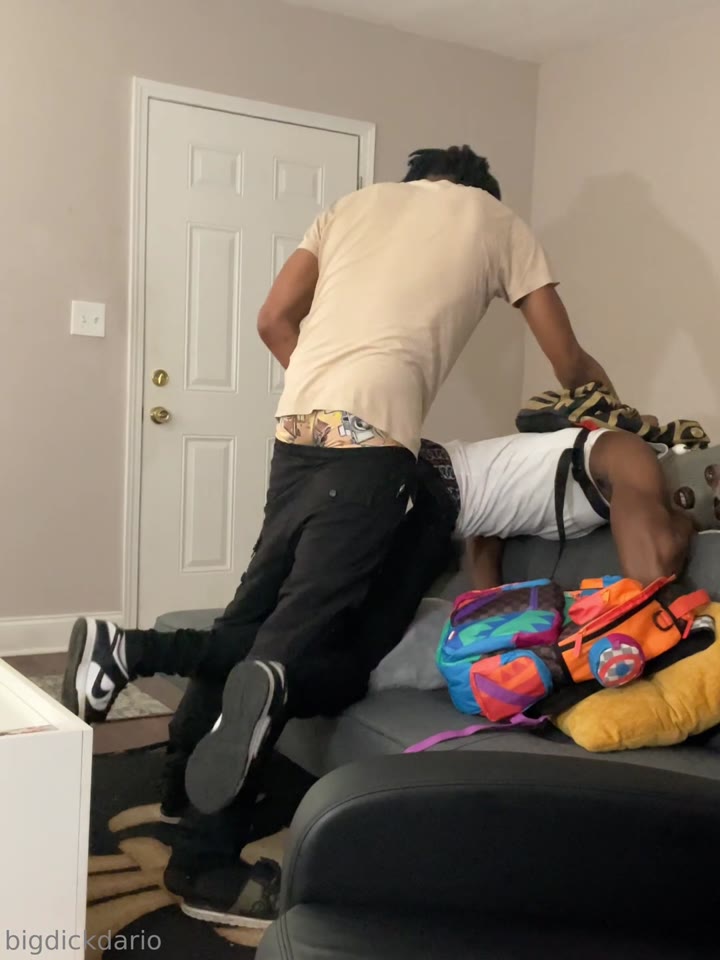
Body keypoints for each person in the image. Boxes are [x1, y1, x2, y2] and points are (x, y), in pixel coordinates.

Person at [62, 145, 616, 927]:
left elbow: (272, 319)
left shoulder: (352, 206)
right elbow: (568, 361)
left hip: (299, 427)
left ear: (419, 178)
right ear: (477, 189)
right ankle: (206, 865)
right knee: (285, 648)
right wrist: (616, 413)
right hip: (373, 445)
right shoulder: (496, 220)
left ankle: (145, 690)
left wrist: (327, 388)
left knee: (251, 615)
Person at [419, 425, 698, 591]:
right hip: (432, 473)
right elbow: (482, 535)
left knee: (649, 581)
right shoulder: (476, 510)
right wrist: (492, 612)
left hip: (609, 456)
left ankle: (682, 520)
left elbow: (650, 581)